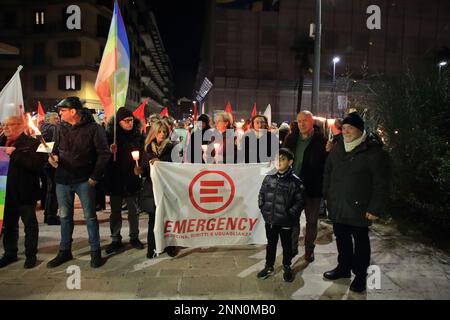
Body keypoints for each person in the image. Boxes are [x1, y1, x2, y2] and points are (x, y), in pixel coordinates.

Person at [322, 112, 390, 293]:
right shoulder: (337, 147)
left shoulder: (373, 152)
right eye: (343, 128)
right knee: (342, 238)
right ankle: (343, 268)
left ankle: (360, 276)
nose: (346, 131)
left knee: (360, 242)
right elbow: (328, 172)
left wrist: (375, 208)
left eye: (350, 128)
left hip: (360, 207)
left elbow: (381, 183)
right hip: (338, 204)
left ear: (360, 130)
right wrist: (327, 195)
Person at [47, 97, 111, 269]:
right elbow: (54, 151)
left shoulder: (94, 129)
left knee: (90, 217)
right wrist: (53, 159)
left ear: (73, 111)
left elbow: (104, 154)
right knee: (65, 217)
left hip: (85, 180)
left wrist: (94, 177)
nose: (59, 113)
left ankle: (95, 251)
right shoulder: (59, 128)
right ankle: (64, 250)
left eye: (62, 110)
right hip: (62, 180)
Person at [0, 116, 46, 269]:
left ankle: (31, 255)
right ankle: (10, 253)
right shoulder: (1, 142)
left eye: (9, 125)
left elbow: (36, 165)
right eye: (4, 125)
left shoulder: (33, 143)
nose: (5, 128)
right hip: (5, 192)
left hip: (25, 191)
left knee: (30, 225)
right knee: (8, 225)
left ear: (20, 126)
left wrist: (15, 154)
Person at [283, 111, 327, 262]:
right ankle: (292, 248)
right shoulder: (291, 138)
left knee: (312, 221)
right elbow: (283, 159)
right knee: (292, 220)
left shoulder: (321, 140)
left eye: (305, 121)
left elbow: (326, 165)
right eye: (299, 121)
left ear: (312, 121)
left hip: (313, 188)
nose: (301, 124)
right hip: (293, 187)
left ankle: (309, 250)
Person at [257, 148, 305, 282]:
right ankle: (269, 266)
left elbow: (300, 201)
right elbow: (262, 194)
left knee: (286, 245)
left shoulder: (295, 182)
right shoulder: (269, 177)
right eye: (277, 159)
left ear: (290, 162)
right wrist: (263, 208)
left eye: (282, 159)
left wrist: (290, 215)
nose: (279, 162)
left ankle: (287, 265)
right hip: (271, 220)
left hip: (286, 222)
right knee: (271, 244)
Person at [103, 107, 145, 254]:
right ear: (118, 123)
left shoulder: (138, 136)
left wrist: (141, 168)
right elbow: (102, 157)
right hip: (115, 178)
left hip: (132, 178)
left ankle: (134, 237)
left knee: (133, 211)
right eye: (126, 121)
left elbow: (143, 154)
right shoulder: (110, 136)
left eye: (131, 120)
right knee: (115, 211)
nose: (129, 123)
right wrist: (110, 151)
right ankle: (115, 239)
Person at [142, 120, 176, 258]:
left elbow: (175, 168)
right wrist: (140, 170)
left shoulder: (172, 148)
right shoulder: (147, 149)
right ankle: (152, 247)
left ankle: (169, 246)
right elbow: (144, 171)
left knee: (168, 218)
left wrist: (161, 164)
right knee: (153, 219)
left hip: (167, 188)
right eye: (159, 131)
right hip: (151, 189)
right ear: (154, 132)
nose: (162, 134)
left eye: (165, 132)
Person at [40, 112, 60, 225]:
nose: (58, 120)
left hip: (44, 162)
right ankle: (51, 215)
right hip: (51, 162)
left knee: (49, 188)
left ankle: (48, 214)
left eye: (58, 118)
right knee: (53, 189)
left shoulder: (42, 128)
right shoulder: (53, 128)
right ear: (48, 119)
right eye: (55, 118)